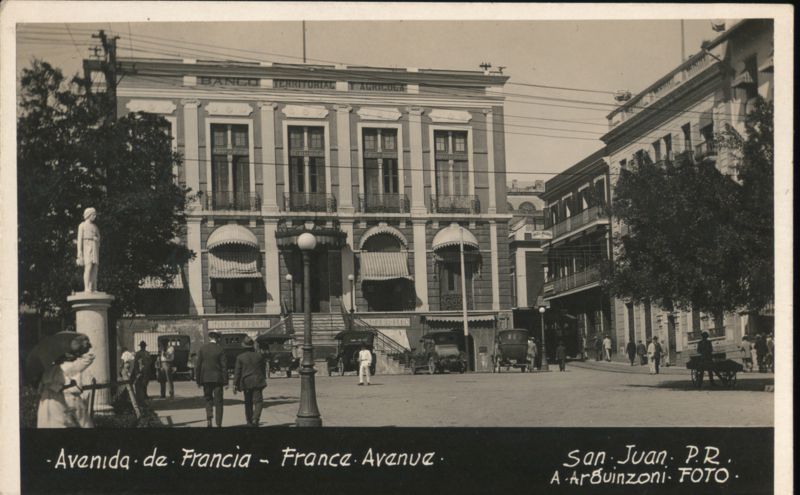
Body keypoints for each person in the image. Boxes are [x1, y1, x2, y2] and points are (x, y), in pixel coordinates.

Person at [37, 333, 95, 428]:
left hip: (47, 400)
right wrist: (77, 352)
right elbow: (89, 357)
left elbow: (41, 387)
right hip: (63, 398)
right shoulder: (67, 367)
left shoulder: (48, 369)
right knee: (81, 423)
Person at [233, 336, 268, 427]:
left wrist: (235, 385)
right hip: (257, 381)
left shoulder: (240, 357)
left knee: (248, 402)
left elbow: (237, 372)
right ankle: (255, 419)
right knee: (258, 402)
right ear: (252, 346)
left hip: (246, 382)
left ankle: (249, 421)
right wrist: (263, 378)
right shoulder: (259, 356)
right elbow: (263, 370)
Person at [196, 332, 228, 427]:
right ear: (217, 338)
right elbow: (224, 367)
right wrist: (226, 381)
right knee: (219, 401)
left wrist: (198, 380)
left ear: (209, 337)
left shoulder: (202, 349)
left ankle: (209, 419)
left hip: (206, 379)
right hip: (218, 379)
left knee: (208, 399)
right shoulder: (220, 349)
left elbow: (198, 366)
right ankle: (218, 423)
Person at [76, 207, 100, 292]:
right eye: (93, 214)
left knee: (95, 268)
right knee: (88, 266)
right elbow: (79, 240)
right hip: (87, 246)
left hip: (94, 247)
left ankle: (93, 287)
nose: (95, 216)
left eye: (95, 215)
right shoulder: (82, 225)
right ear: (89, 215)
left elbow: (99, 237)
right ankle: (86, 288)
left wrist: (96, 239)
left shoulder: (95, 227)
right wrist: (79, 252)